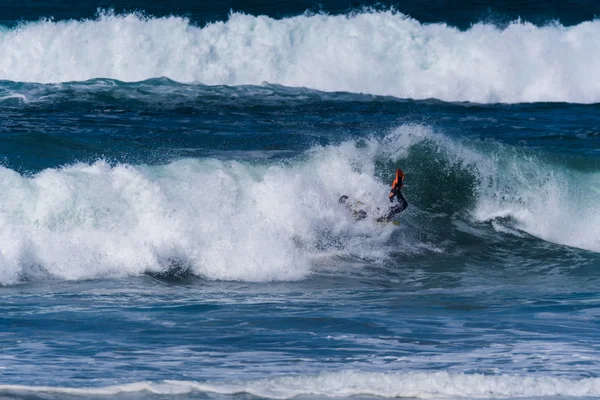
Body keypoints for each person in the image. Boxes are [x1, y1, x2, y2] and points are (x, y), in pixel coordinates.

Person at [339, 168, 408, 222]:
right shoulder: (356, 208)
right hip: (378, 213)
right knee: (401, 206)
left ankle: (395, 190)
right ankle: (395, 191)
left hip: (377, 215)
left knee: (401, 206)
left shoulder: (353, 209)